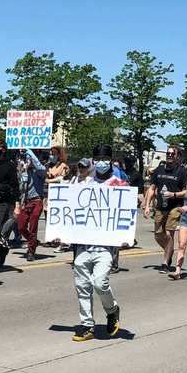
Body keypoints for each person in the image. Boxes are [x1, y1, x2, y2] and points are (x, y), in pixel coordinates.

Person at [69, 144, 124, 342]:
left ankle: (112, 310)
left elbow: (125, 213)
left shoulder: (119, 185)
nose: (101, 163)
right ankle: (87, 325)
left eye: (105, 159)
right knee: (82, 284)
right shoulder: (85, 185)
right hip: (84, 244)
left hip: (105, 246)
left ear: (111, 161)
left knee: (100, 282)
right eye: (97, 159)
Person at [143, 146, 187, 273]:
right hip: (160, 207)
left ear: (177, 156)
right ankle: (169, 250)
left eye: (172, 154)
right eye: (168, 153)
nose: (169, 155)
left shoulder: (182, 172)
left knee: (169, 234)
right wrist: (147, 205)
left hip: (174, 207)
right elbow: (152, 188)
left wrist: (173, 194)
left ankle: (165, 262)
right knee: (158, 235)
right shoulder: (159, 169)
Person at [0, 139, 20, 273]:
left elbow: (15, 186)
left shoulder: (10, 165)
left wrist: (17, 205)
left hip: (4, 202)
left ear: (4, 149)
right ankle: (1, 253)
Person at [17, 149, 46, 261]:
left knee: (33, 225)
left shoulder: (39, 171)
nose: (26, 161)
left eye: (28, 159)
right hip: (25, 201)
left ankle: (31, 251)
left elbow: (40, 167)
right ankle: (33, 241)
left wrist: (29, 152)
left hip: (37, 201)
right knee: (21, 226)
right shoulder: (22, 171)